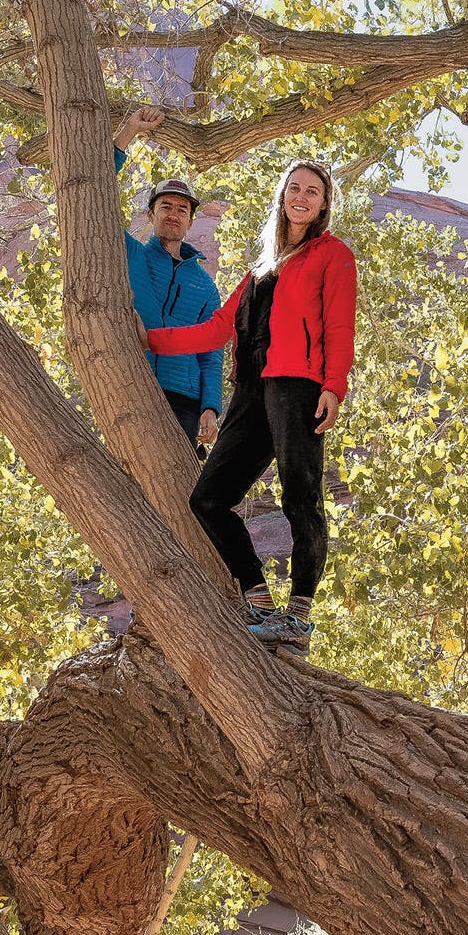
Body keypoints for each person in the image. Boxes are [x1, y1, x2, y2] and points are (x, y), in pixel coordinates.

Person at [146, 157, 356, 655]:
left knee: (300, 498)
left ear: (324, 204)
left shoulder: (333, 255)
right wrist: (148, 339)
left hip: (299, 386)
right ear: (283, 196)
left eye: (313, 191)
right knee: (208, 499)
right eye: (294, 188)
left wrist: (334, 386)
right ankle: (259, 603)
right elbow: (215, 330)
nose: (301, 197)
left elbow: (339, 326)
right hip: (252, 392)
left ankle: (299, 619)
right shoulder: (260, 268)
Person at [112, 108, 223, 448]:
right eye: (166, 207)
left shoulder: (205, 287)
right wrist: (128, 132)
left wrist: (210, 407)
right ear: (151, 214)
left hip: (184, 399)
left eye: (182, 209)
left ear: (190, 221)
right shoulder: (128, 253)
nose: (174, 215)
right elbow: (94, 194)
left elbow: (211, 351)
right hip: (133, 385)